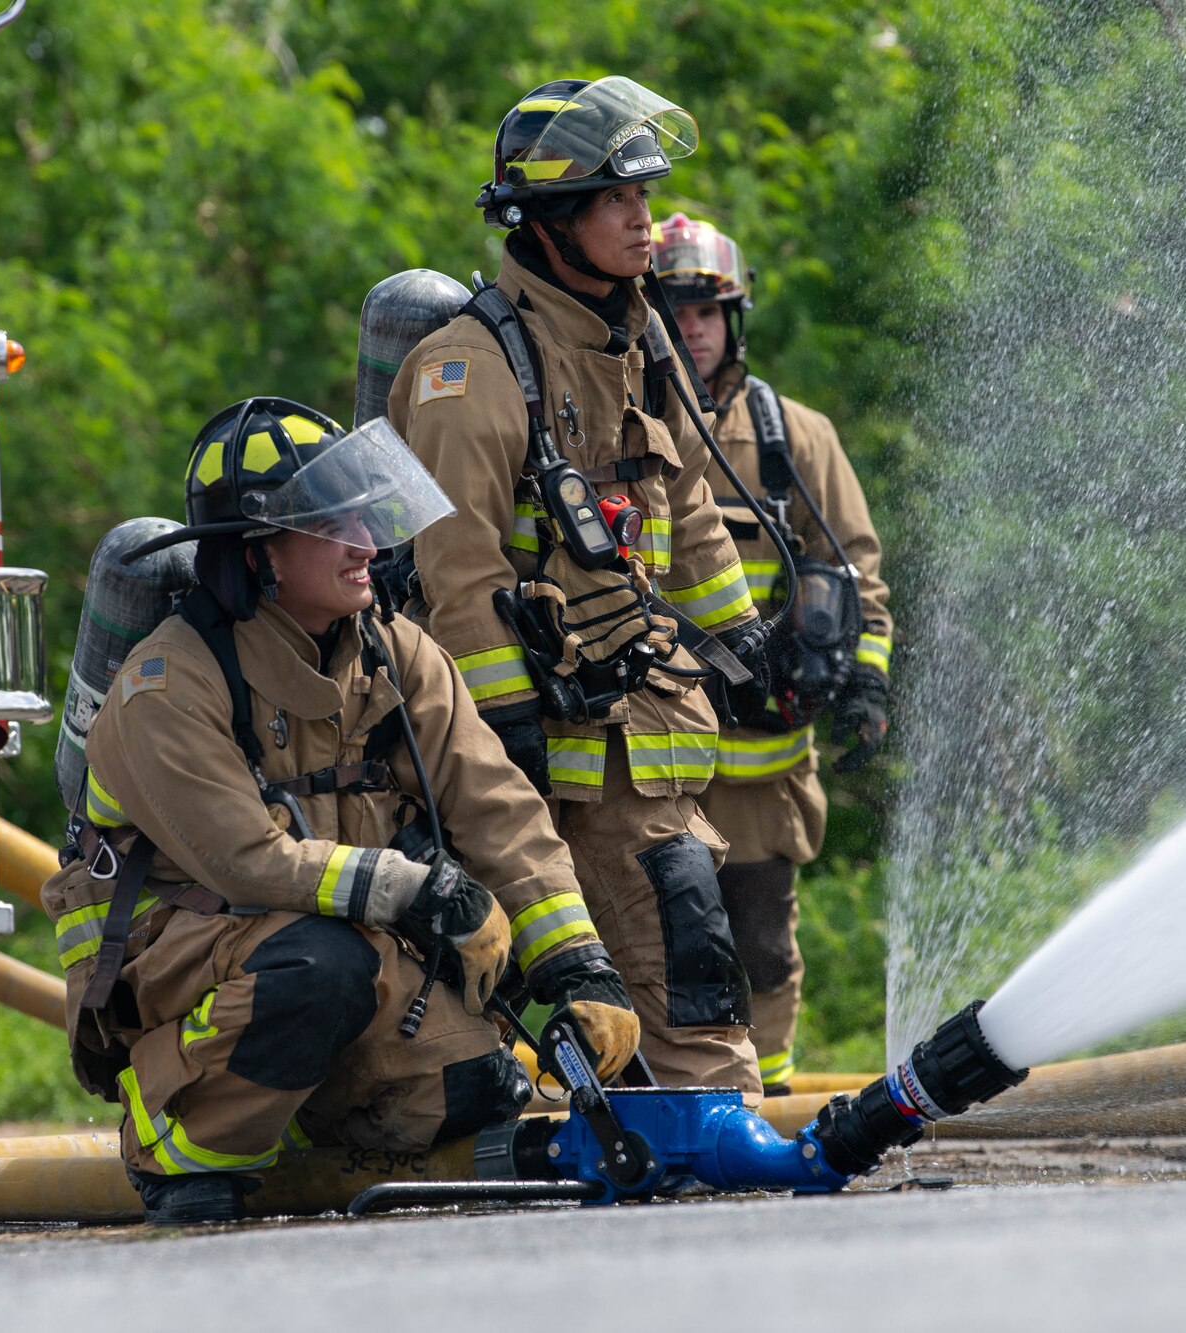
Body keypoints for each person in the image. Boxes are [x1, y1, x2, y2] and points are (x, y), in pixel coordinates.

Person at [40, 398, 639, 1224]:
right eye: (332, 523)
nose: (367, 542)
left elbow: (496, 809)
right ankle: (176, 1133)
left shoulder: (396, 652)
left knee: (479, 1090)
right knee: (319, 972)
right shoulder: (166, 685)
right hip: (179, 958)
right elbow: (245, 861)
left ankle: (295, 1112)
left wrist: (578, 965)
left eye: (364, 511)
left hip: (341, 947)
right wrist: (420, 890)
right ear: (261, 554)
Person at [386, 78, 771, 1096]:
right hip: (559, 748)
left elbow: (683, 497)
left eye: (644, 195)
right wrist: (502, 730)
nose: (646, 220)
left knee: (662, 971)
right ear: (551, 220)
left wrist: (741, 640)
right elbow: (454, 568)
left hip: (642, 732)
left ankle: (676, 1139)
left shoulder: (632, 341)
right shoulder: (466, 373)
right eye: (616, 199)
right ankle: (708, 1137)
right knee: (676, 984)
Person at [653, 213, 893, 1096]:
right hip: (652, 757)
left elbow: (857, 574)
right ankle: (679, 1096)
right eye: (674, 307)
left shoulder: (796, 439)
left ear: (735, 319)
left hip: (760, 764)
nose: (694, 327)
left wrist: (865, 677)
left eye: (710, 309)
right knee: (668, 940)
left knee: (759, 941)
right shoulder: (619, 431)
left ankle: (774, 1095)